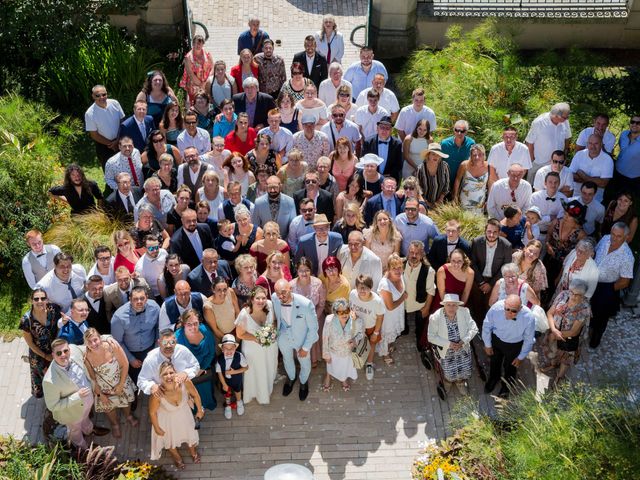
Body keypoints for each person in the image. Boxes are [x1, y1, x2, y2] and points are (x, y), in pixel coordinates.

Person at [43, 338, 110, 450]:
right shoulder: (49, 381)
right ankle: (83, 447)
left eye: (66, 351)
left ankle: (89, 430)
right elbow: (53, 406)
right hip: (72, 412)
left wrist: (107, 340)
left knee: (86, 417)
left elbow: (90, 347)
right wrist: (76, 396)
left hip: (87, 402)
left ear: (69, 349)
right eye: (59, 353)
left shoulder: (74, 349)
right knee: (75, 430)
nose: (63, 355)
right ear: (53, 355)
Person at [83, 328, 137, 438]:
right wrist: (100, 395)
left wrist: (121, 384)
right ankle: (115, 424)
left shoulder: (111, 345)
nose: (93, 344)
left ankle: (128, 416)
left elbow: (125, 363)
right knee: (108, 408)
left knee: (126, 402)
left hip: (121, 380)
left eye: (95, 340)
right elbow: (93, 379)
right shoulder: (87, 357)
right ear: (86, 344)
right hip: (103, 388)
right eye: (90, 342)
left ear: (100, 338)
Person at [149, 362, 203, 469]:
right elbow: (152, 412)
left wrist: (199, 410)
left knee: (190, 435)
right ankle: (177, 458)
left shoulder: (185, 382)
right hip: (167, 420)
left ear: (175, 372)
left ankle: (193, 452)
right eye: (165, 374)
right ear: (160, 377)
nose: (169, 376)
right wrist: (156, 428)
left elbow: (195, 395)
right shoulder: (157, 394)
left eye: (171, 372)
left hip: (184, 415)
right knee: (170, 441)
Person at [272, 279, 319, 401]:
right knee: (287, 359)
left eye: (284, 292)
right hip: (283, 336)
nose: (281, 296)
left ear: (290, 289)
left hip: (301, 339)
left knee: (304, 361)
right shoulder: (274, 298)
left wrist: (306, 347)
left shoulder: (306, 304)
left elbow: (313, 328)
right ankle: (291, 378)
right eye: (278, 293)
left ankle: (303, 382)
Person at [538, 279, 591, 385]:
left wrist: (555, 335)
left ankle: (560, 377)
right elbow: (550, 313)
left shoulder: (584, 308)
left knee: (566, 358)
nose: (574, 296)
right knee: (552, 351)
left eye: (578, 294)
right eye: (572, 292)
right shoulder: (563, 295)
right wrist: (553, 330)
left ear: (583, 295)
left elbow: (573, 332)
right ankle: (553, 364)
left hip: (569, 338)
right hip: (554, 331)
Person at [589, 223, 634, 348]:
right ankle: (588, 326)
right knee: (589, 307)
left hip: (608, 287)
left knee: (602, 316)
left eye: (618, 236)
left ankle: (595, 339)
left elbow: (625, 281)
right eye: (613, 234)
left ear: (625, 237)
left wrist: (607, 290)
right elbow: (595, 252)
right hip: (592, 279)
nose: (614, 238)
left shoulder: (627, 256)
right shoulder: (605, 239)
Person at [482, 295, 536, 398]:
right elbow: (486, 326)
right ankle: (494, 378)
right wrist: (487, 345)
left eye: (513, 311)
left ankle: (506, 387)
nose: (509, 313)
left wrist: (521, 357)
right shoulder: (496, 308)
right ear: (504, 304)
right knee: (495, 361)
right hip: (497, 340)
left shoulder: (529, 317)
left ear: (520, 308)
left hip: (515, 345)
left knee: (510, 367)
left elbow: (529, 340)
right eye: (506, 309)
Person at [234, 286, 279, 404]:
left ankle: (266, 390)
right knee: (255, 371)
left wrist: (271, 332)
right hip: (253, 349)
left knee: (269, 367)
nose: (261, 301)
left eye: (263, 298)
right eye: (258, 298)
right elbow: (240, 334)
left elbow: (273, 321)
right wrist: (257, 338)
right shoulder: (244, 314)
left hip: (270, 347)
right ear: (252, 299)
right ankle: (254, 393)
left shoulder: (269, 305)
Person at [428, 294, 479, 395]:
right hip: (447, 350)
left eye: (454, 305)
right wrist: (449, 344)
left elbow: (474, 329)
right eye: (448, 305)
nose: (451, 308)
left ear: (458, 306)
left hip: (462, 348)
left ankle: (460, 382)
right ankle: (448, 382)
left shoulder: (464, 312)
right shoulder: (436, 317)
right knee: (449, 372)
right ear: (444, 305)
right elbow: (431, 336)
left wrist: (463, 341)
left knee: (464, 369)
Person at [110, 286, 160, 383]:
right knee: (137, 383)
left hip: (152, 348)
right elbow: (117, 342)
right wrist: (131, 359)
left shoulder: (155, 307)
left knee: (156, 380)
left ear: (147, 297)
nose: (139, 301)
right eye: (135, 299)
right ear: (130, 299)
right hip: (130, 353)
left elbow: (159, 329)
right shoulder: (119, 317)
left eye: (142, 298)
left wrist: (156, 350)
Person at [469, 219, 513, 323]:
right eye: (489, 231)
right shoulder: (476, 242)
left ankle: (489, 326)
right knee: (476, 305)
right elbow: (472, 263)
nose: (491, 234)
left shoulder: (506, 246)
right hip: (478, 279)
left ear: (499, 232)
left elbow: (505, 267)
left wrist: (491, 284)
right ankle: (478, 326)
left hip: (495, 281)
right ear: (485, 231)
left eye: (495, 232)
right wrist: (481, 282)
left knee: (491, 306)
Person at [136, 328, 200, 396]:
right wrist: (152, 386)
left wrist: (186, 373)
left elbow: (196, 366)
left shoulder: (183, 351)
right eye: (164, 342)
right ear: (159, 343)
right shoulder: (150, 359)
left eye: (172, 342)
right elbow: (141, 380)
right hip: (162, 396)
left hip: (184, 393)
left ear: (176, 342)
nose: (168, 346)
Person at [21, 289, 60, 399]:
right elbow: (30, 344)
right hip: (38, 354)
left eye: (43, 298)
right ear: (31, 301)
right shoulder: (26, 320)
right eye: (36, 299)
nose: (40, 301)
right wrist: (45, 356)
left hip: (55, 349)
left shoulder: (54, 310)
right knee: (44, 379)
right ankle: (49, 404)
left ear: (47, 300)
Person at [175, 309, 217, 411]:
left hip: (203, 368)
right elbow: (176, 359)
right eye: (189, 324)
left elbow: (211, 352)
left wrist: (202, 368)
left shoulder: (206, 331)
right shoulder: (177, 337)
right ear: (184, 324)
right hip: (186, 372)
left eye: (196, 323)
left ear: (199, 322)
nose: (193, 327)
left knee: (205, 389)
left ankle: (207, 404)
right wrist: (190, 372)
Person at [544, 199, 587, 292]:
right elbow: (548, 235)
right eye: (565, 213)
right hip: (549, 259)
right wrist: (547, 245)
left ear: (576, 219)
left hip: (563, 266)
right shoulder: (556, 222)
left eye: (569, 215)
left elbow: (577, 255)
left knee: (554, 287)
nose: (565, 216)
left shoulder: (581, 234)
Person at [290, 257, 327, 368]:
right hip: (297, 318)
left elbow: (321, 304)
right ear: (297, 271)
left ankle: (314, 358)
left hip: (316, 315)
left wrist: (314, 318)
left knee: (314, 329)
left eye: (306, 270)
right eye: (301, 270)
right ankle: (299, 358)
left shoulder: (318, 283)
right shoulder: (291, 285)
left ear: (310, 270)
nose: (304, 273)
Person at [321, 299, 363, 392]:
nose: (345, 314)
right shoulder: (329, 320)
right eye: (341, 312)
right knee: (331, 366)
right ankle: (328, 376)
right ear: (335, 313)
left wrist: (355, 340)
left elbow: (360, 333)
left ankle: (343, 379)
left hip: (347, 352)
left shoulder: (354, 320)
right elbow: (325, 338)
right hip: (333, 351)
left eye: (346, 311)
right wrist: (326, 354)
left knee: (344, 367)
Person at [525, 102, 571, 183]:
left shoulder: (564, 121)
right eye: (565, 117)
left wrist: (565, 153)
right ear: (557, 116)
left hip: (557, 163)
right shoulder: (539, 122)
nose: (567, 119)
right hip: (539, 163)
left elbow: (568, 137)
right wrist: (532, 160)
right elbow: (529, 142)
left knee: (553, 187)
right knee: (533, 186)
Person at [403, 241, 436, 349]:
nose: (413, 255)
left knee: (420, 327)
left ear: (422, 254)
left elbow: (431, 291)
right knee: (403, 326)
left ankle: (420, 342)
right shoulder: (401, 264)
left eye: (417, 253)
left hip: (419, 304)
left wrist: (426, 308)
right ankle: (404, 329)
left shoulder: (429, 271)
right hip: (402, 303)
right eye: (411, 252)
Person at [85, 85, 125, 169]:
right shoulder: (89, 113)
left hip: (120, 140)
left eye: (104, 94)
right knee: (110, 172)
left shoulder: (115, 103)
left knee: (125, 167)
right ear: (93, 96)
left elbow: (122, 121)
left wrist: (118, 140)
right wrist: (112, 144)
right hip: (104, 146)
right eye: (98, 95)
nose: (101, 97)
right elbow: (94, 135)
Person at [377, 253, 407, 365]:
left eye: (399, 267)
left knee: (392, 332)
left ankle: (389, 345)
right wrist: (403, 298)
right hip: (388, 315)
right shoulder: (385, 285)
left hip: (397, 312)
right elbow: (390, 307)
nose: (398, 271)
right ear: (388, 269)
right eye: (394, 268)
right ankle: (385, 354)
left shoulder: (400, 276)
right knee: (386, 333)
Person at [568, 134, 613, 203]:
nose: (593, 146)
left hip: (595, 199)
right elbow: (570, 175)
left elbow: (603, 183)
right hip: (576, 196)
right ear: (587, 144)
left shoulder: (607, 160)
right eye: (590, 143)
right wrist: (595, 180)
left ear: (601, 144)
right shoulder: (579, 154)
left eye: (596, 143)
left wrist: (582, 174)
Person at [430, 249, 474, 320]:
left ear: (464, 261)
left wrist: (459, 309)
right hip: (443, 302)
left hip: (460, 303)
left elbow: (466, 292)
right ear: (450, 260)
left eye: (459, 261)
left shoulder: (470, 273)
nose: (456, 264)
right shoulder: (442, 270)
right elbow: (442, 292)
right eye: (453, 261)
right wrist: (449, 308)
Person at [361, 116, 403, 183]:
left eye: (387, 128)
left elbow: (398, 165)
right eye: (382, 127)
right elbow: (363, 161)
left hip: (389, 179)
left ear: (391, 130)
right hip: (371, 178)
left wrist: (388, 178)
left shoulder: (397, 144)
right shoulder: (368, 142)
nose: (384, 130)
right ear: (377, 129)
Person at [529, 170, 567, 244]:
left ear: (559, 184)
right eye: (550, 182)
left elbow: (558, 221)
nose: (553, 185)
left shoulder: (564, 200)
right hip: (534, 233)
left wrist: (540, 218)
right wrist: (549, 218)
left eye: (556, 182)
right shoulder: (535, 197)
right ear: (545, 183)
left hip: (553, 236)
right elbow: (530, 219)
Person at [216, 334, 248, 419]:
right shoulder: (219, 359)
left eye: (231, 348)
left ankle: (239, 401)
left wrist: (234, 372)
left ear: (235, 348)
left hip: (236, 379)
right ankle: (228, 405)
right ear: (222, 349)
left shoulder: (239, 356)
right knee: (226, 394)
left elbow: (245, 367)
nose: (229, 351)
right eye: (226, 348)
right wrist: (224, 384)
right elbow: (219, 373)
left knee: (238, 391)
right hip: (225, 381)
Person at [180, 35, 214, 107]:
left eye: (200, 43)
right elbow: (190, 74)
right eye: (196, 43)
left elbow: (212, 68)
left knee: (206, 102)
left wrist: (206, 82)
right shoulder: (188, 57)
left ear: (203, 44)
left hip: (206, 82)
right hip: (194, 84)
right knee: (195, 103)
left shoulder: (207, 54)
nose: (198, 45)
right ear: (193, 44)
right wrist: (200, 85)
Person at [203, 276, 241, 340]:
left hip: (236, 331)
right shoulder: (208, 307)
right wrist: (228, 341)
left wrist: (238, 334)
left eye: (225, 289)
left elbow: (237, 312)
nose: (222, 293)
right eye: (219, 290)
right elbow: (215, 329)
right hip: (221, 337)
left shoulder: (231, 292)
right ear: (213, 289)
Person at [416, 143, 451, 209]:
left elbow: (447, 185)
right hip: (423, 203)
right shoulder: (421, 168)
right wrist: (426, 203)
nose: (436, 156)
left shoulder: (444, 166)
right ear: (428, 155)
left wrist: (440, 200)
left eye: (438, 155)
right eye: (433, 154)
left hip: (441, 204)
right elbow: (418, 188)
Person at [614, 114, 640, 192]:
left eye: (638, 123)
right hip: (617, 173)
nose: (635, 124)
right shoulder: (624, 134)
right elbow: (622, 149)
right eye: (633, 122)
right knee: (613, 197)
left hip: (633, 179)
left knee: (628, 201)